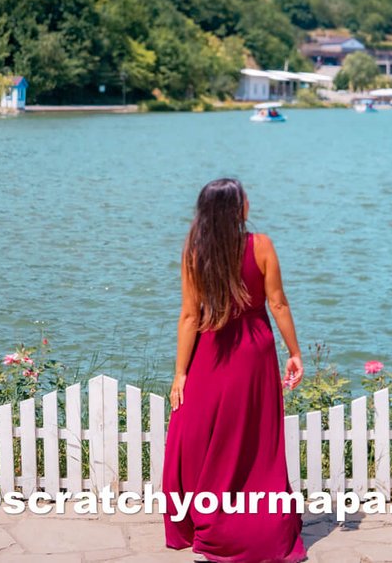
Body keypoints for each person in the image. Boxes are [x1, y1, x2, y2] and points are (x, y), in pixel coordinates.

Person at [163, 177, 307, 563]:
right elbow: (278, 303)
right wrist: (295, 352)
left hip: (211, 353)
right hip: (255, 353)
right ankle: (260, 519)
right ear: (235, 208)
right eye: (245, 198)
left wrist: (181, 373)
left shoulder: (194, 251)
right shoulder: (261, 245)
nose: (249, 203)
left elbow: (189, 316)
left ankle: (205, 515)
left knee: (201, 434)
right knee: (255, 439)